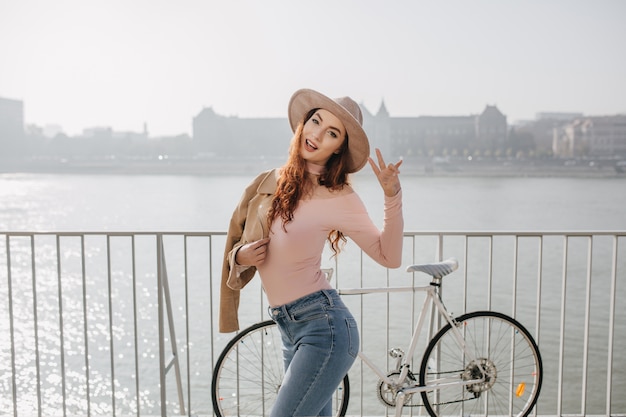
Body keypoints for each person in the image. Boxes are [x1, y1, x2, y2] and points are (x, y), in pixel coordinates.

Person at [219, 88, 404, 417]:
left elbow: (389, 257)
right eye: (315, 121)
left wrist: (392, 196)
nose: (317, 135)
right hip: (288, 328)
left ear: (339, 149)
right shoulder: (274, 182)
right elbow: (241, 242)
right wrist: (242, 256)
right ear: (303, 124)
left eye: (331, 133)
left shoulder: (339, 196)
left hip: (325, 329)